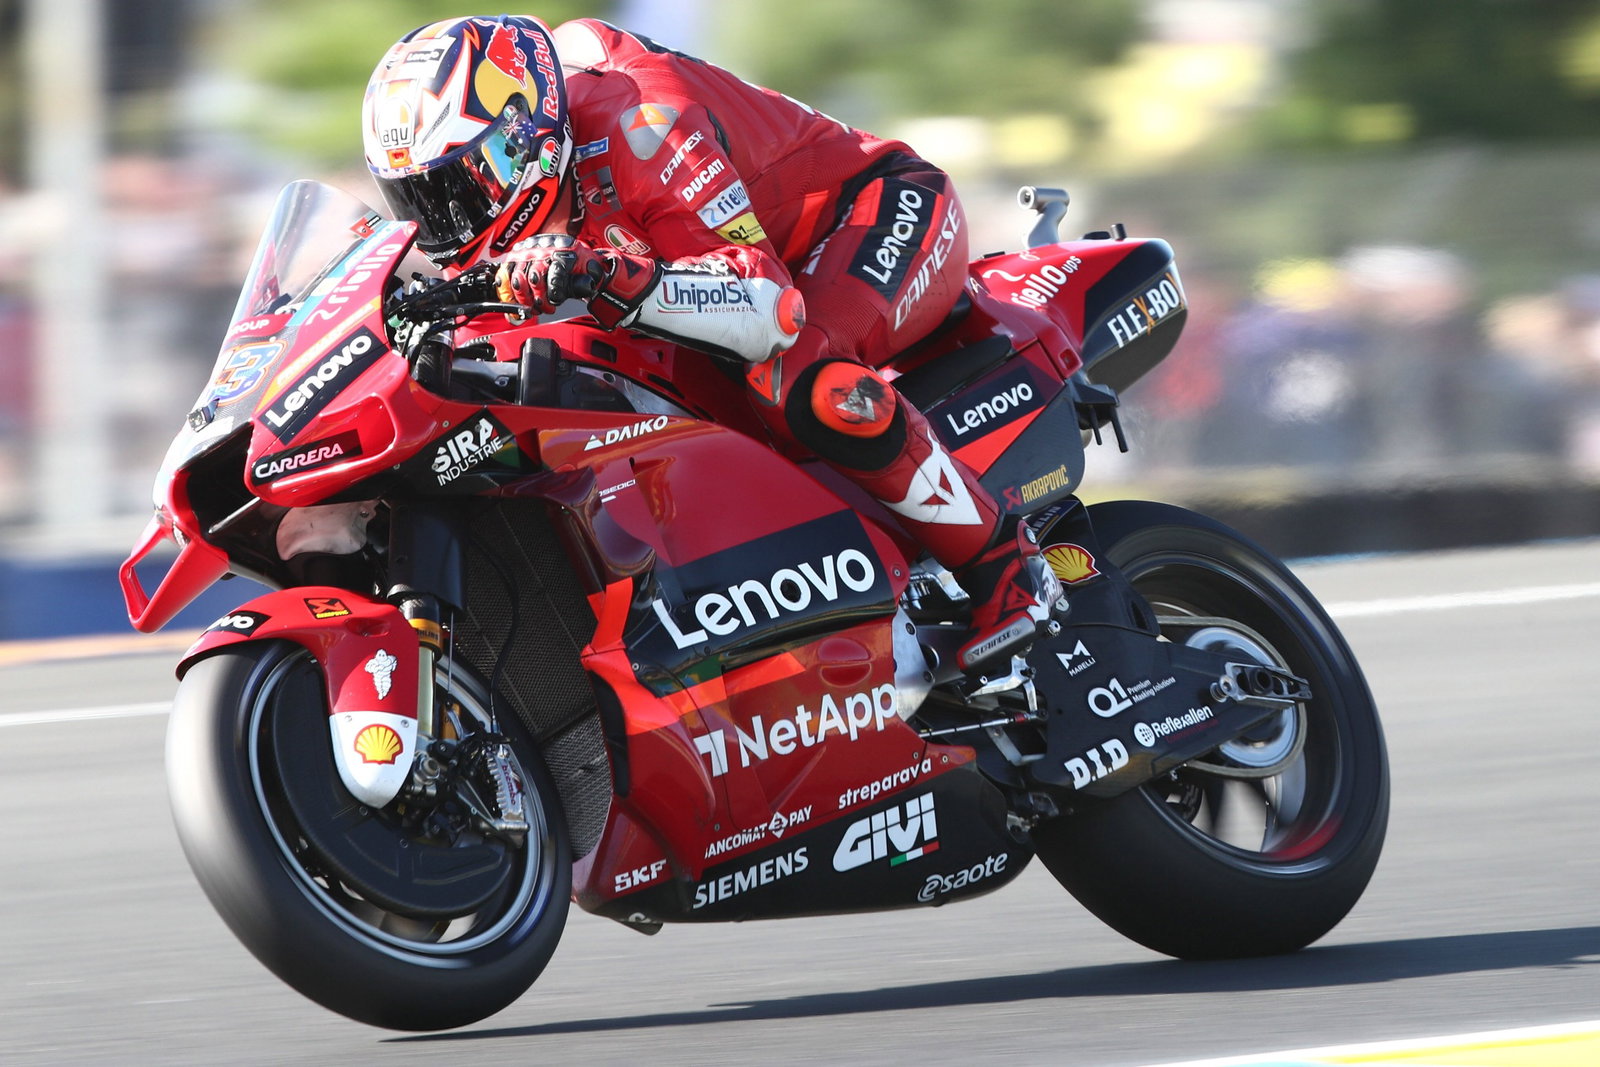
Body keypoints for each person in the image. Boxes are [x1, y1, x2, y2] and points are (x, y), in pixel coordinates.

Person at [361, 15, 1055, 673]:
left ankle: (1004, 565)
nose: (444, 224)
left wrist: (608, 274)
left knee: (802, 380)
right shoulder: (527, 198)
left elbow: (767, 312)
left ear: (523, 137)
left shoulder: (642, 122)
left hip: (876, 212)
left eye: (457, 188)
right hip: (730, 272)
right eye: (418, 201)